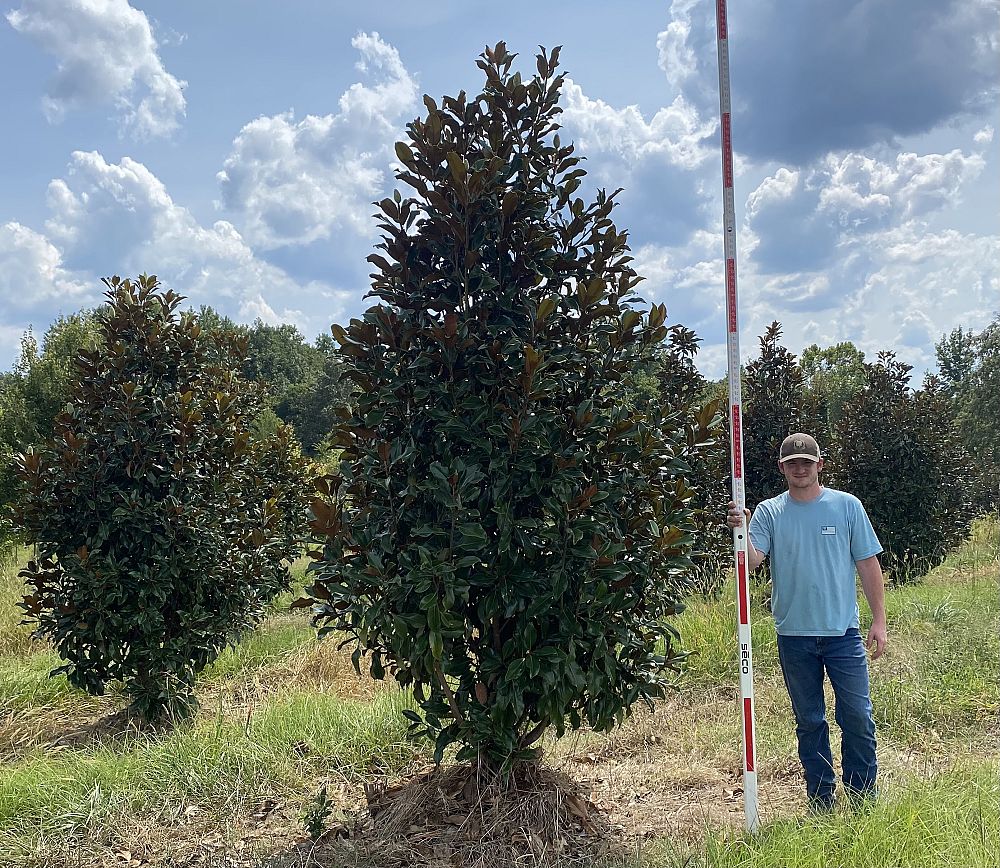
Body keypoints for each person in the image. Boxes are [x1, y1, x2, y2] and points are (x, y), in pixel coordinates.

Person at [726, 432, 887, 812]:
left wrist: (879, 620)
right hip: (794, 636)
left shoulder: (847, 507)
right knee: (811, 722)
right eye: (792, 463)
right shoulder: (769, 511)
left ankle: (863, 799)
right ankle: (821, 800)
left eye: (807, 463)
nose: (800, 469)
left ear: (819, 466)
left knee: (858, 718)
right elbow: (750, 562)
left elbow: (868, 564)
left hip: (843, 634)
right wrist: (741, 529)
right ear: (782, 468)